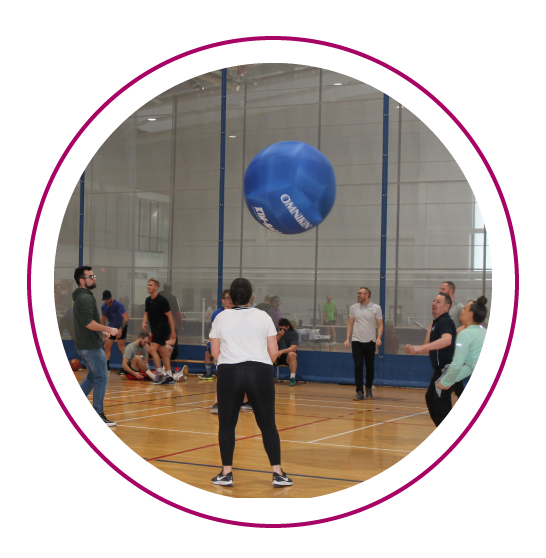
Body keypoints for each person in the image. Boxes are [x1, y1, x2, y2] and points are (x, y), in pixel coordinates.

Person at [209, 277, 293, 488]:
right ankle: (278, 473)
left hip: (230, 371)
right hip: (260, 372)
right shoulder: (263, 316)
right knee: (268, 425)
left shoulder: (220, 318)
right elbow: (273, 353)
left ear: (231, 296)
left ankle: (226, 473)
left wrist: (232, 364)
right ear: (251, 295)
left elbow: (215, 353)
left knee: (227, 424)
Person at [72, 266, 118, 427]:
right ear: (81, 280)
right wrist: (108, 329)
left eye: (94, 276)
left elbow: (89, 324)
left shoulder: (84, 296)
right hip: (90, 346)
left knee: (93, 376)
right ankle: (98, 413)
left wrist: (101, 334)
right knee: (101, 377)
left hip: (87, 343)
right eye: (91, 276)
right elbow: (88, 323)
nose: (94, 278)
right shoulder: (84, 298)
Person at [434, 297, 488, 426]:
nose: (462, 311)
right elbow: (470, 366)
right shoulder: (483, 332)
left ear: (470, 314)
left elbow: (457, 364)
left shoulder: (465, 334)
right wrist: (450, 380)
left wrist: (446, 381)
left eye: (464, 309)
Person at [405, 293, 457, 427]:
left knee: (440, 401)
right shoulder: (436, 322)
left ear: (447, 307)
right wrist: (415, 348)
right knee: (431, 398)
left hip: (447, 369)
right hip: (439, 370)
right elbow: (429, 346)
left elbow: (447, 340)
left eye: (438, 302)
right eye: (434, 301)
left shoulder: (445, 321)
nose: (434, 304)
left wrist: (420, 347)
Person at [205, 291, 252, 414]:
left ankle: (245, 401)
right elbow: (214, 332)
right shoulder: (218, 314)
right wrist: (213, 347)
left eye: (232, 298)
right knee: (221, 375)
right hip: (222, 349)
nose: (230, 300)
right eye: (227, 298)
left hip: (238, 348)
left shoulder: (239, 312)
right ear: (223, 300)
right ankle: (217, 402)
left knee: (243, 374)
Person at [344, 287, 384, 400]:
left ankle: (369, 387)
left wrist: (379, 337)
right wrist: (348, 338)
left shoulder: (376, 308)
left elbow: (380, 325)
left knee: (370, 366)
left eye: (360, 293)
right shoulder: (353, 308)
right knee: (358, 365)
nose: (358, 295)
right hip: (356, 340)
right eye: (357, 293)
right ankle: (359, 391)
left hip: (370, 341)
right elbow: (350, 324)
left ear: (367, 295)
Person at [141, 278, 177, 385]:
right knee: (162, 351)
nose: (148, 286)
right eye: (148, 285)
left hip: (163, 328)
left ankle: (159, 374)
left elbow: (170, 317)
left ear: (156, 288)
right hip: (154, 328)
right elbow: (146, 313)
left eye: (151, 285)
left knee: (152, 349)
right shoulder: (148, 300)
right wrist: (144, 322)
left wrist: (173, 331)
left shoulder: (162, 300)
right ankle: (169, 376)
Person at [439, 282, 466, 399]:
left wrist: (453, 334)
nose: (440, 290)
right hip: (443, 347)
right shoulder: (442, 307)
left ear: (450, 291)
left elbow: (467, 324)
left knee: (452, 375)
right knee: (452, 378)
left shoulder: (459, 307)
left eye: (443, 289)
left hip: (454, 348)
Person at [101, 290, 129, 372]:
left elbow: (126, 318)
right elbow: (103, 318)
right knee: (107, 345)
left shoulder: (118, 305)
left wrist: (120, 329)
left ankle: (125, 367)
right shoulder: (104, 306)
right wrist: (103, 330)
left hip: (121, 326)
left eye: (108, 299)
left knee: (121, 347)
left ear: (111, 297)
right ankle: (106, 366)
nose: (106, 301)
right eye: (105, 300)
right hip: (111, 327)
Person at [275, 318, 299, 387]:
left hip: (286, 356)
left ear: (287, 327)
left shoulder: (293, 334)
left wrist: (282, 351)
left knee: (292, 354)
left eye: (283, 329)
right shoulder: (275, 332)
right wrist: (279, 335)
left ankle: (292, 378)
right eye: (280, 329)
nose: (282, 331)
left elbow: (294, 348)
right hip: (276, 356)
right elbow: (271, 344)